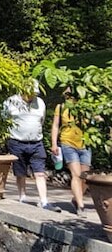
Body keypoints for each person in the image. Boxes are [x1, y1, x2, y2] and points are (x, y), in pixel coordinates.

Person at [3, 81, 60, 212]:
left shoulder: (40, 103)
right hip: (17, 141)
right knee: (20, 172)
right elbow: (4, 120)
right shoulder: (11, 101)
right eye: (29, 93)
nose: (32, 95)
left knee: (40, 172)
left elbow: (42, 120)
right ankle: (22, 196)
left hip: (36, 142)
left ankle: (44, 201)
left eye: (34, 93)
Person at [52, 87, 92, 215]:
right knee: (76, 174)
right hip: (67, 143)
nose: (68, 97)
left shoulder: (85, 107)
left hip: (85, 143)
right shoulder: (61, 107)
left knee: (85, 177)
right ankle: (81, 206)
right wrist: (54, 143)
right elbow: (55, 125)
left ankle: (76, 198)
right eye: (66, 94)